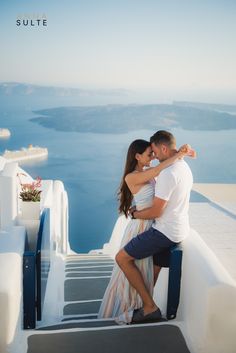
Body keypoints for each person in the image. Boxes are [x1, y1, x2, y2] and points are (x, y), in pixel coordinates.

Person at [98, 137, 194, 324]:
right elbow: (161, 168)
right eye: (149, 154)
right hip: (140, 226)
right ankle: (145, 307)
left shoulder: (149, 172)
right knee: (130, 264)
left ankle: (145, 306)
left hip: (154, 225)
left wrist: (181, 152)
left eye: (153, 153)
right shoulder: (131, 177)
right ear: (137, 156)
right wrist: (180, 154)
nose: (152, 157)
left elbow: (164, 167)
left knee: (146, 271)